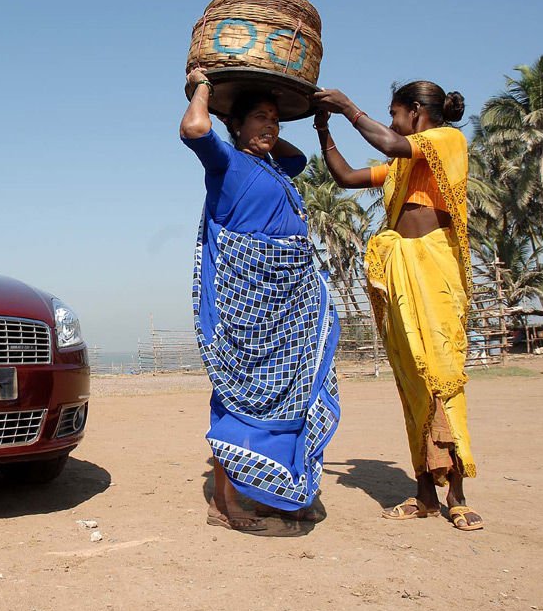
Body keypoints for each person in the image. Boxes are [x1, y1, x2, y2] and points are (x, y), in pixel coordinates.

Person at [313, 81, 483, 531]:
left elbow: (391, 141)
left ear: (416, 112)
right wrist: (322, 128)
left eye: (394, 113)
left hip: (435, 267)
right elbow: (346, 177)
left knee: (443, 377)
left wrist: (348, 107)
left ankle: (458, 493)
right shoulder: (400, 169)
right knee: (412, 384)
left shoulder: (446, 140)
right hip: (401, 273)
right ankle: (425, 493)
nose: (391, 123)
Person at [181, 68, 340, 531]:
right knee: (245, 398)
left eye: (275, 119)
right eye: (260, 119)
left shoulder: (273, 165)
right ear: (235, 125)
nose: (271, 127)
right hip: (249, 303)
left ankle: (274, 491)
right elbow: (193, 128)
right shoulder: (225, 161)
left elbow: (300, 159)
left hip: (289, 303)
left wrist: (276, 120)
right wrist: (206, 91)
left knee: (291, 396)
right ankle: (232, 504)